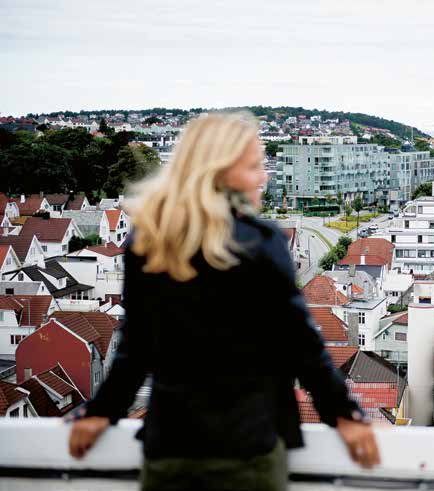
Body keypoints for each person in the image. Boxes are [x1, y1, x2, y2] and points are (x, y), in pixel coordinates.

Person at [67, 113, 380, 490]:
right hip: (249, 444)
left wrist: (102, 411)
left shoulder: (151, 239)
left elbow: (136, 345)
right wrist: (343, 414)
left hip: (172, 443)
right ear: (221, 170)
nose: (263, 176)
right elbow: (299, 343)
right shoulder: (262, 242)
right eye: (253, 166)